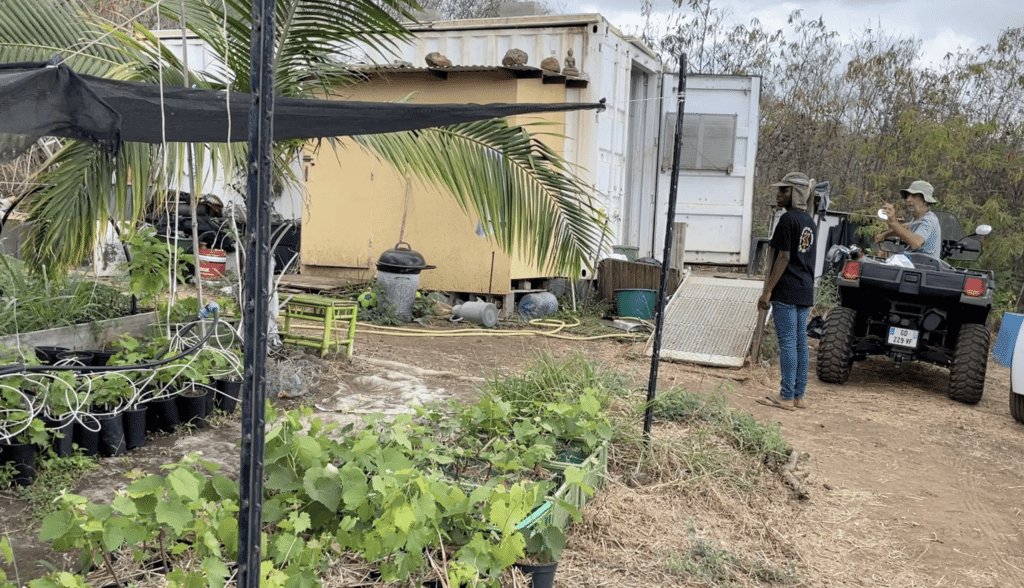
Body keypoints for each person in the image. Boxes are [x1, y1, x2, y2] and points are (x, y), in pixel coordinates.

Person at [759, 172, 817, 410]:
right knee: (801, 343)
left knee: (788, 343)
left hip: (786, 289)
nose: (778, 194)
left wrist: (767, 290)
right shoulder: (809, 222)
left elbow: (782, 257)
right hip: (805, 288)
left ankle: (785, 396)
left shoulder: (787, 221)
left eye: (784, 190)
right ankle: (798, 395)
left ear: (795, 193)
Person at [874, 180, 942, 258]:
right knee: (881, 256)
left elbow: (916, 242)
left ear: (925, 201)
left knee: (863, 263)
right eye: (908, 196)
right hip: (912, 263)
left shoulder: (928, 220)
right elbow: (905, 228)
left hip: (922, 266)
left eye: (914, 196)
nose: (908, 200)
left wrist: (894, 222)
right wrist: (884, 235)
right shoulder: (918, 220)